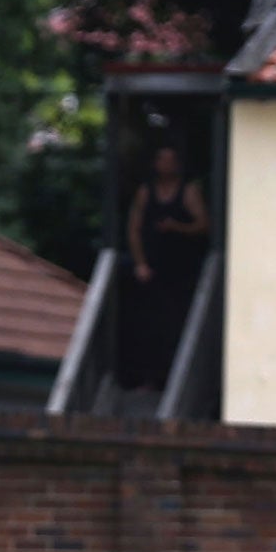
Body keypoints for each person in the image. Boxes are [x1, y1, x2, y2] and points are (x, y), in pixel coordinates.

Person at [122, 141, 209, 389]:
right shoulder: (146, 192)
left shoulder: (188, 191)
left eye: (171, 160)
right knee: (147, 324)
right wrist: (140, 263)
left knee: (176, 323)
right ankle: (147, 378)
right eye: (162, 159)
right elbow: (134, 229)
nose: (166, 165)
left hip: (181, 270)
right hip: (152, 269)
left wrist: (177, 227)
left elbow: (204, 225)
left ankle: (173, 379)